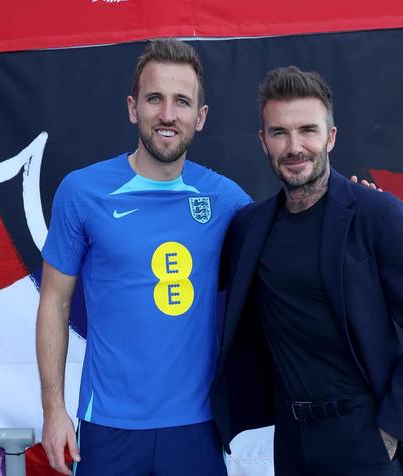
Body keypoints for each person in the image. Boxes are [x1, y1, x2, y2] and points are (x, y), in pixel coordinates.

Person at [211, 66, 403, 476]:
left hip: (365, 437)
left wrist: (392, 429)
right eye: (280, 132)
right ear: (263, 140)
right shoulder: (249, 227)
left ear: (331, 137)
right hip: (291, 439)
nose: (294, 147)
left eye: (308, 130)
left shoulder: (378, 215)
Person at [35, 39, 251, 475]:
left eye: (182, 102)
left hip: (197, 426)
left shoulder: (227, 200)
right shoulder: (82, 192)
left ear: (200, 117)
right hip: (108, 424)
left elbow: (292, 247)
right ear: (133, 108)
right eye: (155, 99)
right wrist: (54, 410)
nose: (168, 114)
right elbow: (54, 302)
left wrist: (360, 209)